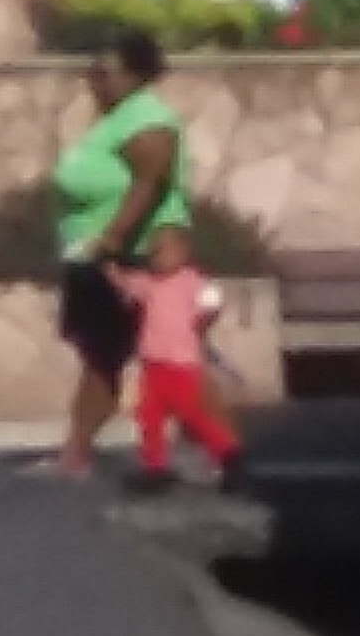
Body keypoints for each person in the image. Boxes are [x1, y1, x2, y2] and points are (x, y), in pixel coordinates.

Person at [44, 28, 190, 479]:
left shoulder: (147, 120)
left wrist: (112, 239)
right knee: (102, 354)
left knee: (160, 358)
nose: (95, 81)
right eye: (93, 72)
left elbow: (149, 185)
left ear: (135, 75)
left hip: (131, 255)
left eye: (105, 73)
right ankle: (76, 453)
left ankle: (228, 453)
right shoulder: (116, 120)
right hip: (96, 257)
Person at [123, 237, 247, 491]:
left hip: (181, 363)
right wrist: (107, 267)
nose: (156, 258)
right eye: (153, 253)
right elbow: (126, 283)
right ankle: (154, 468)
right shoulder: (149, 282)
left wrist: (204, 321)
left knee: (193, 414)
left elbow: (213, 301)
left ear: (182, 253)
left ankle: (228, 454)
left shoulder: (191, 280)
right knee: (148, 416)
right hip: (153, 363)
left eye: (162, 251)